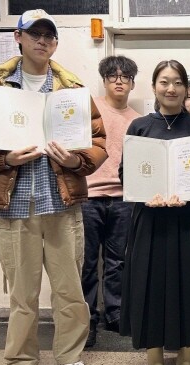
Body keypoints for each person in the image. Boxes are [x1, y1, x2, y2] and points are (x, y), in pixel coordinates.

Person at [0, 9, 107, 365]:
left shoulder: (71, 88)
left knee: (70, 290)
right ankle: (21, 360)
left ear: (55, 42)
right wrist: (3, 158)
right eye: (34, 33)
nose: (43, 41)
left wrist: (77, 160)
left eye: (49, 36)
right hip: (15, 205)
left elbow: (97, 141)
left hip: (62, 204)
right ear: (18, 37)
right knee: (22, 292)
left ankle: (69, 356)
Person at [119, 60, 190, 365]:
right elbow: (126, 173)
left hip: (188, 221)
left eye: (177, 82)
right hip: (149, 221)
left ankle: (187, 361)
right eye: (164, 82)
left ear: (185, 88)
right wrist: (145, 195)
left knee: (188, 287)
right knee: (151, 288)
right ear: (154, 87)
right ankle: (154, 362)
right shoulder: (139, 127)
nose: (171, 88)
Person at [81, 55, 141, 348]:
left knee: (118, 261)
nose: (119, 81)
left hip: (122, 198)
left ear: (132, 83)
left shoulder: (137, 121)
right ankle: (87, 319)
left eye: (125, 77)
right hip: (88, 197)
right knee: (87, 263)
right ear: (104, 80)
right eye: (113, 76)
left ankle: (114, 313)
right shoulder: (89, 111)